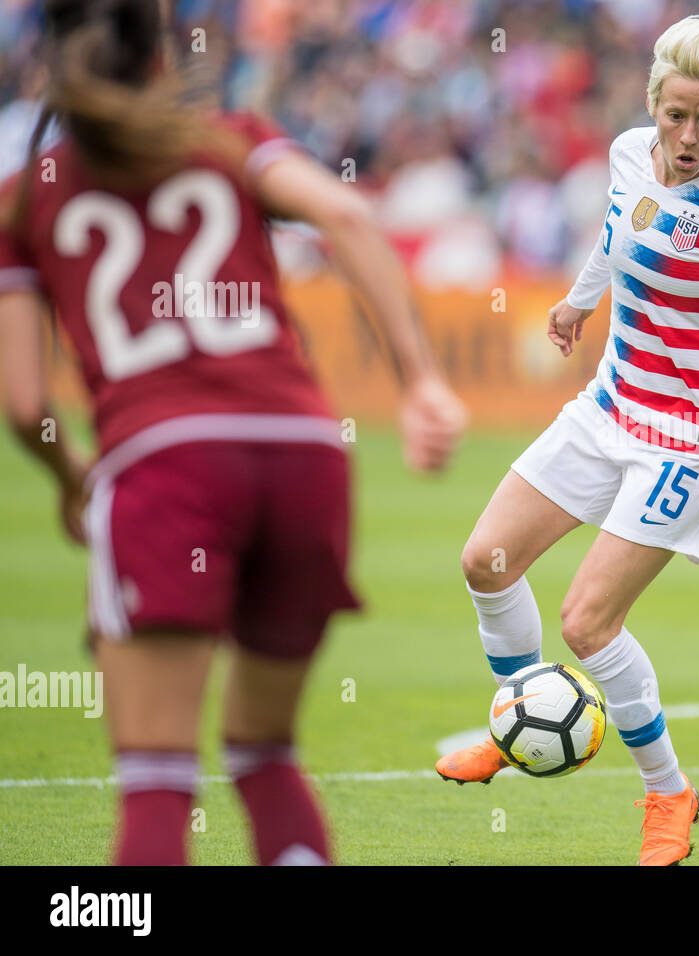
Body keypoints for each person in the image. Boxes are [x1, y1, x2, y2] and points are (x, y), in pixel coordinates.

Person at [0, 0, 465, 866]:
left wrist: (73, 481)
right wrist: (423, 383)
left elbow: (27, 405)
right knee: (262, 752)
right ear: (165, 56)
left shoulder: (26, 198)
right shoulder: (228, 137)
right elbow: (351, 219)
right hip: (305, 455)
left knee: (156, 778)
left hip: (164, 464)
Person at [438, 14, 699, 866]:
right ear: (654, 103)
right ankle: (519, 718)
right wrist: (578, 301)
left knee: (588, 622)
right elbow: (616, 236)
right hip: (609, 405)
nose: (689, 137)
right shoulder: (624, 152)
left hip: (691, 436)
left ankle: (669, 795)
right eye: (677, 116)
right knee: (486, 561)